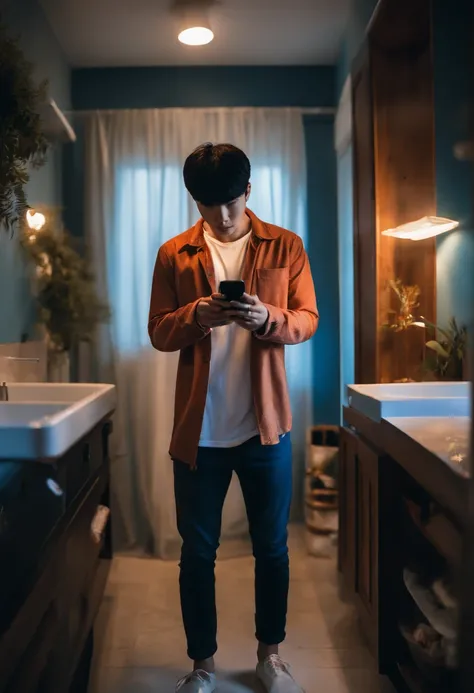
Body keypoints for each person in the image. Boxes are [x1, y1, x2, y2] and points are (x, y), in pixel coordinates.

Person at [148, 143, 319, 693]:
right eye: (207, 203)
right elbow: (157, 331)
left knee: (272, 549)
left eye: (229, 201)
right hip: (198, 434)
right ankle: (202, 667)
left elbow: (307, 319)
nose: (220, 216)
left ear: (248, 191)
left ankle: (270, 657)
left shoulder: (285, 245)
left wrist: (266, 316)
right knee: (197, 554)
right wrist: (195, 315)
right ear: (194, 200)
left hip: (266, 428)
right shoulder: (174, 253)